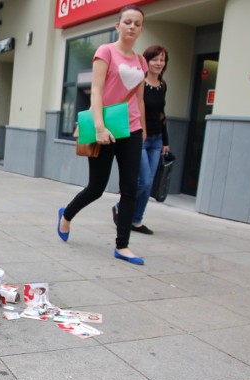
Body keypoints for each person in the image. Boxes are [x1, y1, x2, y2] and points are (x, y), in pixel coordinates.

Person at [57, 4, 147, 265]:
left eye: (137, 24)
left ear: (141, 29)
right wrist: (98, 126)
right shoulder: (105, 51)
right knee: (96, 187)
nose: (131, 27)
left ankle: (123, 245)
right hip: (104, 128)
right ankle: (67, 215)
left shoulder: (141, 61)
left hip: (131, 129)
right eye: (127, 22)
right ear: (118, 26)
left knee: (130, 187)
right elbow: (95, 91)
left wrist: (142, 130)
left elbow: (139, 100)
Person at [113, 45, 170, 235]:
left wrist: (165, 140)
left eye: (162, 60)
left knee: (150, 182)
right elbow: (139, 106)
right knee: (143, 181)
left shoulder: (163, 85)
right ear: (146, 61)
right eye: (155, 59)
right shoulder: (140, 82)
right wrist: (142, 131)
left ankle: (136, 220)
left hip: (157, 139)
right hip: (140, 136)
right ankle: (121, 207)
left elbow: (162, 114)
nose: (159, 63)